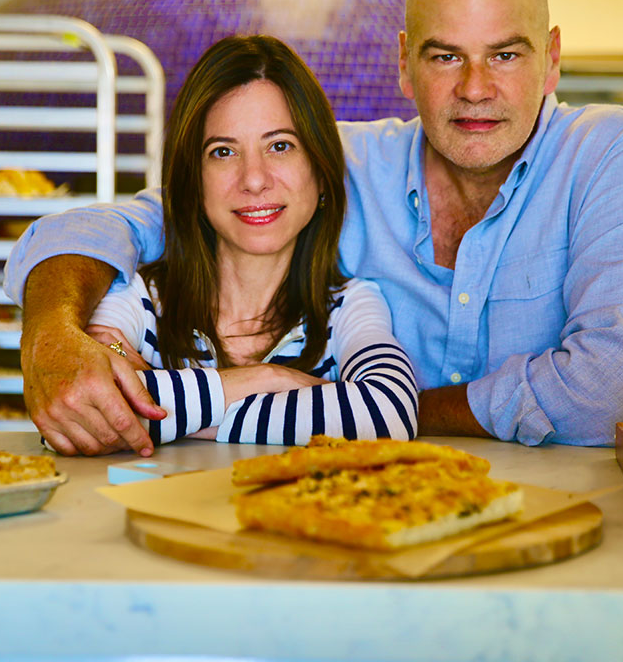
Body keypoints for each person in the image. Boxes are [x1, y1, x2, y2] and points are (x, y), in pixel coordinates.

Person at [5, 0, 623, 457]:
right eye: (445, 56)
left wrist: (398, 409)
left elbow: (617, 387)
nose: (475, 88)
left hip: (563, 511)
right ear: (405, 63)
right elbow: (148, 220)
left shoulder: (608, 150)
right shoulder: (335, 161)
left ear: (553, 58)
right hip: (353, 505)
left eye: (506, 54)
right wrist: (54, 336)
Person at [45, 34, 418, 449]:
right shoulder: (139, 294)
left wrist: (169, 413)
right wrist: (265, 379)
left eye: (280, 146)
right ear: (192, 180)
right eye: (223, 152)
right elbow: (85, 406)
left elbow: (391, 413)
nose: (254, 179)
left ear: (321, 170)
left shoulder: (349, 306)